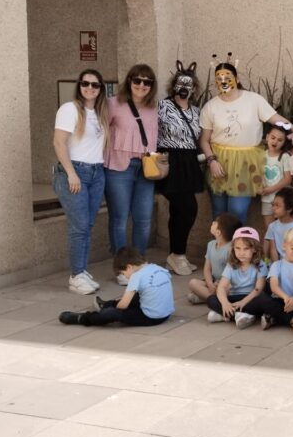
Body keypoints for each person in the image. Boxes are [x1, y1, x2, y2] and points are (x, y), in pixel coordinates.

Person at [200, 59, 293, 224]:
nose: (223, 82)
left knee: (238, 210)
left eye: (227, 77)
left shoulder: (253, 100)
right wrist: (212, 161)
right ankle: (218, 241)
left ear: (237, 78)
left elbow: (280, 121)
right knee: (218, 210)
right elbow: (204, 140)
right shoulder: (210, 106)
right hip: (219, 162)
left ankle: (239, 241)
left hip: (245, 162)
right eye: (219, 79)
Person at [53, 69, 109, 295]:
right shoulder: (70, 109)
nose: (89, 88)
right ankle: (76, 276)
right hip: (75, 172)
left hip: (97, 172)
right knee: (79, 226)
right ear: (79, 86)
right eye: (85, 83)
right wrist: (71, 173)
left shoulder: (100, 112)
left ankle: (82, 270)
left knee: (87, 225)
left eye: (95, 85)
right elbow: (59, 143)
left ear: (100, 88)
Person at [105, 64, 159, 277]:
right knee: (119, 218)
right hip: (119, 167)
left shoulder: (154, 107)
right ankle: (122, 269)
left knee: (144, 219)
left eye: (147, 81)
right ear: (129, 81)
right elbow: (99, 131)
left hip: (146, 168)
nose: (141, 85)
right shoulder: (113, 103)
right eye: (137, 80)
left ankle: (138, 265)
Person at [156, 61, 205, 276]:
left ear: (194, 88)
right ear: (173, 85)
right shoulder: (162, 107)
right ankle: (177, 254)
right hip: (170, 160)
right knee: (187, 208)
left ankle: (176, 256)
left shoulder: (196, 111)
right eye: (180, 83)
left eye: (189, 84)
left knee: (178, 210)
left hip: (189, 162)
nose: (184, 88)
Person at [60, 247, 174, 327]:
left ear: (129, 267)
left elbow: (123, 305)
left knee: (112, 313)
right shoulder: (157, 268)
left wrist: (116, 308)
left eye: (123, 273)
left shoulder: (136, 277)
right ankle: (105, 305)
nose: (125, 277)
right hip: (166, 314)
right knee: (138, 296)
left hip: (150, 318)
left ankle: (83, 318)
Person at [206, 227, 268, 328]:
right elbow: (221, 287)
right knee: (211, 299)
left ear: (254, 249)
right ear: (233, 248)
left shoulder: (260, 265)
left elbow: (258, 289)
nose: (241, 253)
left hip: (250, 298)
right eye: (237, 248)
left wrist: (243, 302)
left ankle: (225, 315)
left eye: (246, 249)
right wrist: (225, 303)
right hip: (234, 297)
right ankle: (240, 315)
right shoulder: (231, 265)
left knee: (263, 300)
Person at [253, 228, 293, 330]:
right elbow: (274, 286)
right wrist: (286, 298)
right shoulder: (276, 265)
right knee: (262, 298)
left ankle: (274, 318)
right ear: (284, 245)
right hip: (279, 300)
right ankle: (292, 320)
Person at [187, 213, 242, 305]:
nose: (212, 222)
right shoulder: (211, 244)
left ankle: (211, 299)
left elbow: (234, 274)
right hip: (214, 282)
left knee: (228, 289)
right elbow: (207, 269)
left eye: (215, 223)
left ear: (218, 232)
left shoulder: (231, 249)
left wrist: (221, 285)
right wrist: (210, 284)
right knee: (193, 283)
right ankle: (214, 298)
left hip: (228, 284)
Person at [260, 123, 293, 229]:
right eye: (273, 138)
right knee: (269, 228)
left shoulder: (285, 156)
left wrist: (271, 189)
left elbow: (288, 179)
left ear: (284, 142)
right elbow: (257, 175)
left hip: (282, 199)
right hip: (266, 199)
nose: (275, 142)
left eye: (280, 140)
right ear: (267, 137)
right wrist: (258, 187)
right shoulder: (261, 155)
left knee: (283, 228)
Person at [264, 187, 293, 263]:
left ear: (289, 209)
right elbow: (273, 250)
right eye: (273, 205)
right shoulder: (272, 226)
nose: (273, 208)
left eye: (277, 205)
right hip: (278, 264)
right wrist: (277, 266)